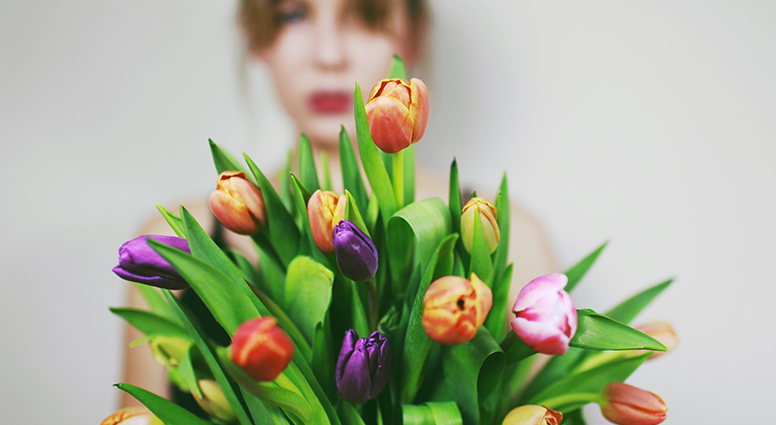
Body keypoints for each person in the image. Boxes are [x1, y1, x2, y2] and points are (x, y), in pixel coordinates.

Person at [120, 0, 556, 408]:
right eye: (292, 15)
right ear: (257, 38)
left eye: (367, 13)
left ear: (413, 37)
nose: (328, 55)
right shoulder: (179, 240)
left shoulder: (508, 236)